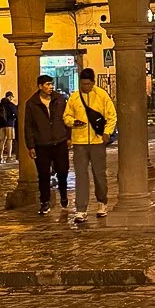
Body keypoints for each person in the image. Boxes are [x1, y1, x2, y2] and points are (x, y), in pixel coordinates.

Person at [63, 67, 116, 227]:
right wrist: (73, 122)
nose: (85, 86)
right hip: (79, 142)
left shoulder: (101, 95)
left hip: (97, 141)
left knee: (99, 174)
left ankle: (102, 202)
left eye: (87, 84)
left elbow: (111, 115)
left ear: (93, 82)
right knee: (81, 176)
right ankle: (81, 209)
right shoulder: (74, 97)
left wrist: (107, 133)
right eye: (82, 84)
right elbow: (66, 116)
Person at [24, 73, 70, 215]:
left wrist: (68, 136)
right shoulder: (32, 104)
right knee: (43, 174)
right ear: (40, 87)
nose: (50, 87)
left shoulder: (60, 99)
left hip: (59, 141)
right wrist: (30, 146)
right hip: (41, 144)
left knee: (63, 170)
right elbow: (28, 126)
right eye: (47, 85)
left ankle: (63, 193)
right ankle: (45, 201)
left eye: (51, 84)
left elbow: (66, 118)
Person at [0, 91, 18, 163]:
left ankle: (0, 157)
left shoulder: (0, 105)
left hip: (1, 125)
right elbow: (16, 114)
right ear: (10, 97)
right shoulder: (11, 105)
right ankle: (9, 157)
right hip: (10, 125)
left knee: (1, 141)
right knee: (9, 141)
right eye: (12, 97)